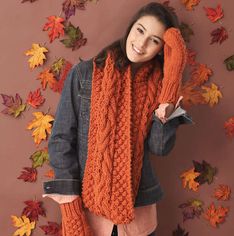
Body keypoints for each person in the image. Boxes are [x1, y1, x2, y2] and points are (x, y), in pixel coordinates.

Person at [42, 2, 191, 236]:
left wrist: (170, 90)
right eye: (140, 30)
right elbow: (61, 140)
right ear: (131, 27)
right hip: (89, 206)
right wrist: (69, 204)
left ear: (162, 49)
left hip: (138, 210)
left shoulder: (161, 88)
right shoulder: (84, 74)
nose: (141, 44)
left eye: (154, 40)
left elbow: (159, 147)